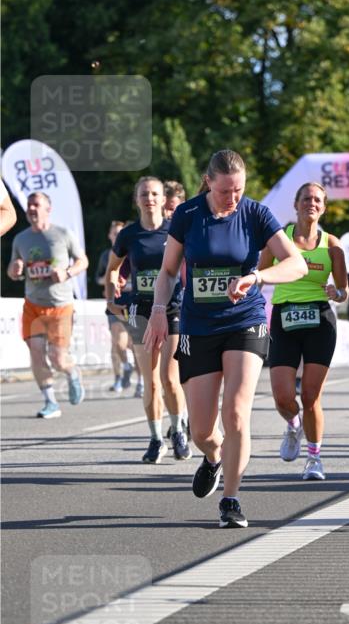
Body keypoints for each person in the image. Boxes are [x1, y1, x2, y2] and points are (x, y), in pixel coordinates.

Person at [143, 149, 307, 529]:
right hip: (199, 326)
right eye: (224, 191)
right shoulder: (187, 215)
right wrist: (158, 310)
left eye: (239, 190)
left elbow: (296, 264)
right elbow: (168, 272)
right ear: (208, 182)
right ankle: (214, 456)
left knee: (235, 412)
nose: (232, 198)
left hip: (244, 321)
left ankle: (230, 499)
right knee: (202, 430)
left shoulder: (255, 214)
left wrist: (258, 277)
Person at [257, 182, 348, 480]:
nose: (312, 203)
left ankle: (314, 458)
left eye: (318, 200)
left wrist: (337, 293)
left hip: (320, 320)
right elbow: (260, 274)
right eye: (306, 198)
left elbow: (343, 291)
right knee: (283, 397)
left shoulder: (332, 245)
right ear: (296, 205)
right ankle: (293, 425)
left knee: (310, 396)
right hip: (284, 317)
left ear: (324, 208)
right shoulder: (279, 240)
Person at [105, 177, 190, 463]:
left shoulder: (175, 229)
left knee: (169, 378)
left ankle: (178, 431)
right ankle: (155, 439)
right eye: (144, 194)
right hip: (140, 310)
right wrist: (112, 297)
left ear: (164, 199)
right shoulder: (128, 235)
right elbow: (113, 268)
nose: (149, 198)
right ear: (136, 199)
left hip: (172, 308)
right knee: (150, 381)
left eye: (154, 194)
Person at [7, 191, 87, 417]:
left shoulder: (62, 234)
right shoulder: (20, 239)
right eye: (29, 205)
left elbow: (83, 261)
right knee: (36, 353)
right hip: (33, 305)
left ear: (48, 209)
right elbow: (13, 269)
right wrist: (14, 270)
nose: (31, 209)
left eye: (36, 205)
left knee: (58, 359)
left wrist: (67, 272)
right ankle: (51, 402)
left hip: (60, 305)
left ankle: (72, 372)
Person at [96, 220, 135, 393]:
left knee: (135, 344)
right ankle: (123, 371)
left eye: (120, 232)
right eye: (115, 233)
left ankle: (142, 382)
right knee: (117, 343)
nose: (118, 236)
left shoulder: (136, 251)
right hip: (115, 301)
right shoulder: (106, 255)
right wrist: (109, 281)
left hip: (133, 302)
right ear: (110, 236)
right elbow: (98, 278)